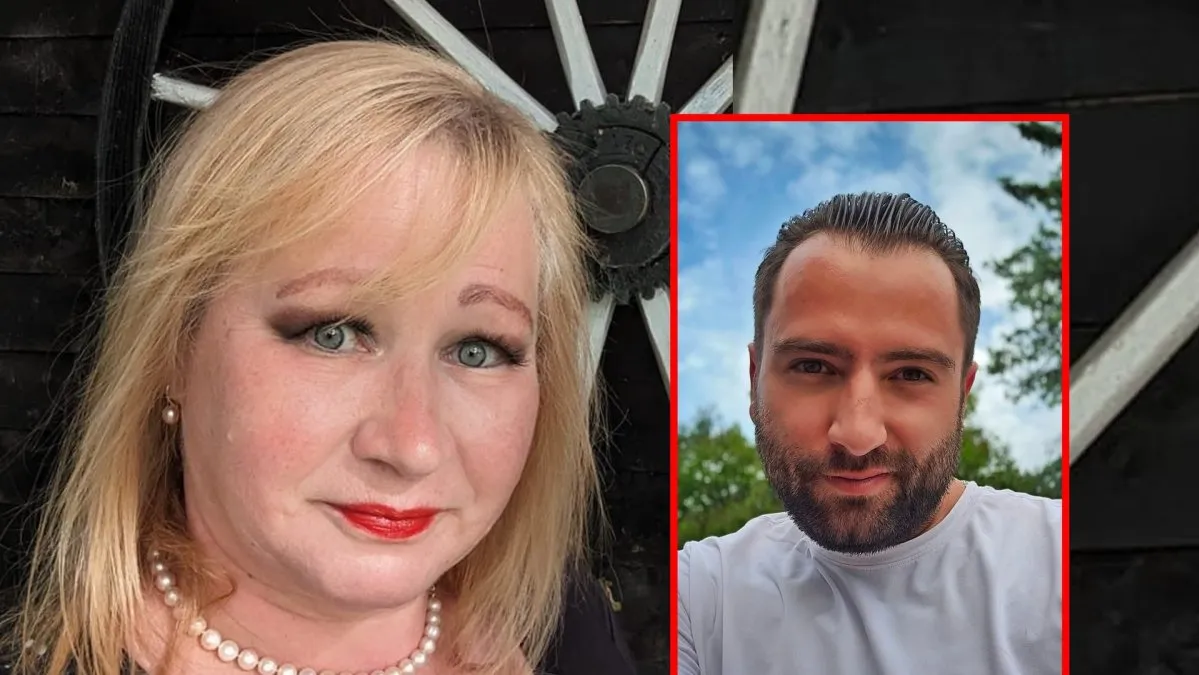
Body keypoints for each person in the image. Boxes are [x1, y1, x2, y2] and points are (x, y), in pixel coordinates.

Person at [1, 41, 636, 675]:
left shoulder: (564, 631)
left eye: (478, 350)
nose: (412, 446)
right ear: (173, 349)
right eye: (332, 334)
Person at [677, 192, 1062, 675]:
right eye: (813, 366)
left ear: (962, 396)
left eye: (911, 374)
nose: (858, 435)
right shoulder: (701, 596)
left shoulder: (1057, 561)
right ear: (754, 380)